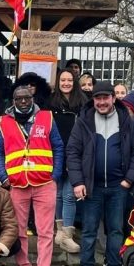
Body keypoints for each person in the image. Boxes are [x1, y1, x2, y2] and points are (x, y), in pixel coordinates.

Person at [67, 81, 134, 266]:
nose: (102, 102)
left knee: (115, 230)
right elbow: (73, 152)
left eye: (105, 97)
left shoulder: (126, 120)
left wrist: (129, 180)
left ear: (113, 98)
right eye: (98, 98)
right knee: (89, 230)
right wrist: (78, 182)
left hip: (118, 187)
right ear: (93, 99)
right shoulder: (83, 121)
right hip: (91, 186)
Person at [0, 84, 64, 266]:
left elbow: (58, 146)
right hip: (17, 183)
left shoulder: (47, 117)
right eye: (19, 98)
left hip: (45, 182)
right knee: (19, 229)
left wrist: (56, 174)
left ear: (32, 98)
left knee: (45, 230)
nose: (23, 101)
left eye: (27, 98)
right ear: (13, 101)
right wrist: (3, 176)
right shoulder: (4, 122)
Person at [48, 69, 88, 254]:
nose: (66, 83)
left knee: (70, 194)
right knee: (57, 194)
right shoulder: (50, 102)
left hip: (75, 153)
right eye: (62, 80)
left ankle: (67, 235)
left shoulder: (83, 102)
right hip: (55, 152)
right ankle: (60, 233)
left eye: (69, 80)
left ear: (75, 82)